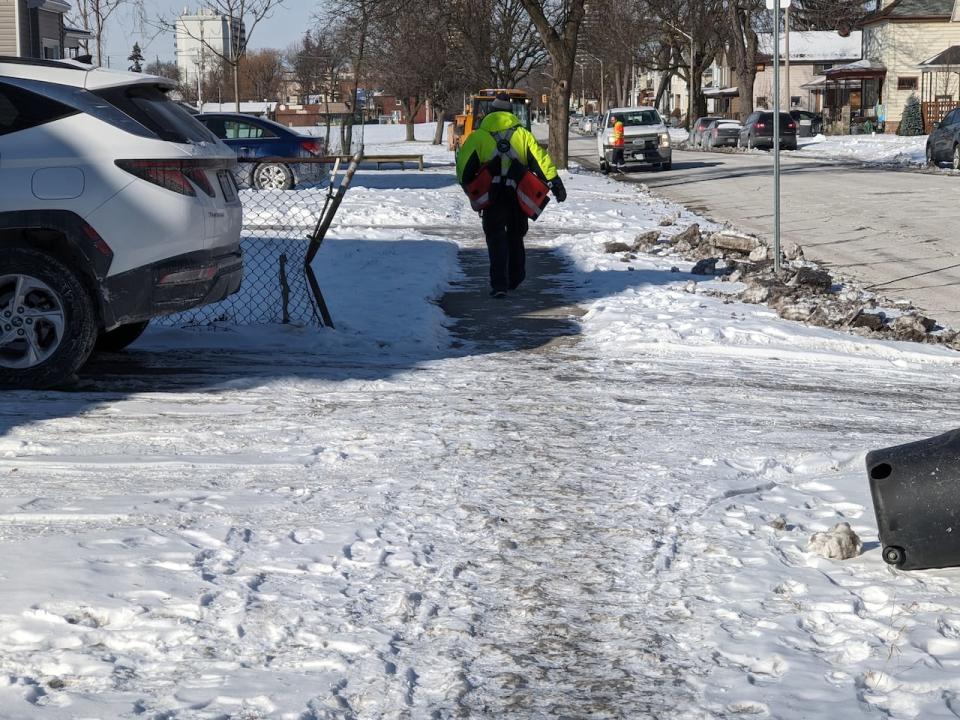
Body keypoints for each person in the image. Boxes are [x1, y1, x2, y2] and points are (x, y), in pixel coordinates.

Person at [456, 93, 566, 298]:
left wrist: (469, 186)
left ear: (491, 112)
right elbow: (541, 161)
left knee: (495, 237)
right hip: (518, 194)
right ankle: (515, 277)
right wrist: (556, 184)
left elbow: (463, 169)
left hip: (492, 196)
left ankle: (499, 284)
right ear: (510, 113)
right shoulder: (523, 135)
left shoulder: (478, 137)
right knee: (516, 235)